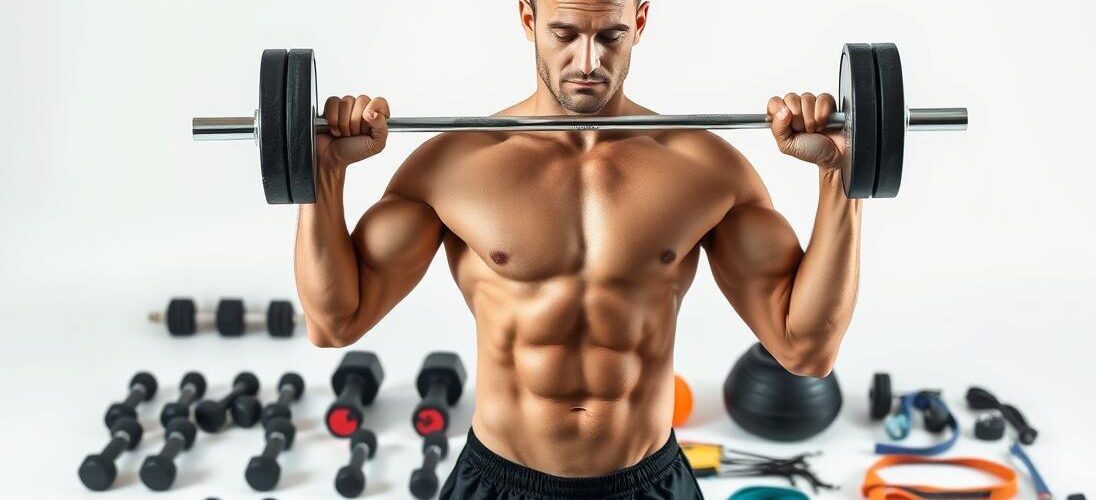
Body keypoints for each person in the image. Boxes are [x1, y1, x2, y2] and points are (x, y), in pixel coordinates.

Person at [294, 0, 860, 498]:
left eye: (610, 35)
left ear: (639, 21)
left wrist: (843, 175)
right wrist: (321, 175)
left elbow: (805, 349)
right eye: (564, 34)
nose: (587, 61)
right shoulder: (454, 168)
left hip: (649, 480)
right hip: (499, 481)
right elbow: (335, 322)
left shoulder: (704, 171)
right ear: (527, 18)